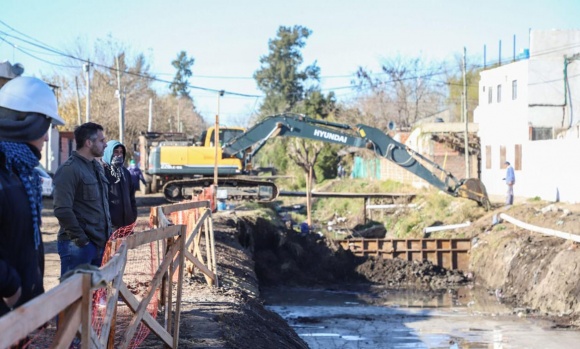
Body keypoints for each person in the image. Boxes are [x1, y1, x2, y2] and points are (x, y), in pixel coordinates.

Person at [0, 76, 66, 317]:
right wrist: (11, 287)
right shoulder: (4, 171)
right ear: (26, 124)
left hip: (20, 316)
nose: (47, 138)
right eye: (45, 128)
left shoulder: (20, 172)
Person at [53, 122, 112, 277]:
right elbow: (62, 210)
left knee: (90, 297)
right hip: (78, 247)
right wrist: (82, 240)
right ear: (88, 142)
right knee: (73, 298)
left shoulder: (97, 167)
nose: (105, 145)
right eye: (101, 141)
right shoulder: (69, 170)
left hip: (98, 244)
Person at [102, 140, 137, 232]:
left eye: (121, 152)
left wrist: (133, 216)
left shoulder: (125, 173)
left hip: (126, 225)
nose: (119, 155)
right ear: (108, 152)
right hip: (109, 227)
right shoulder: (101, 172)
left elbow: (131, 197)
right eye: (116, 152)